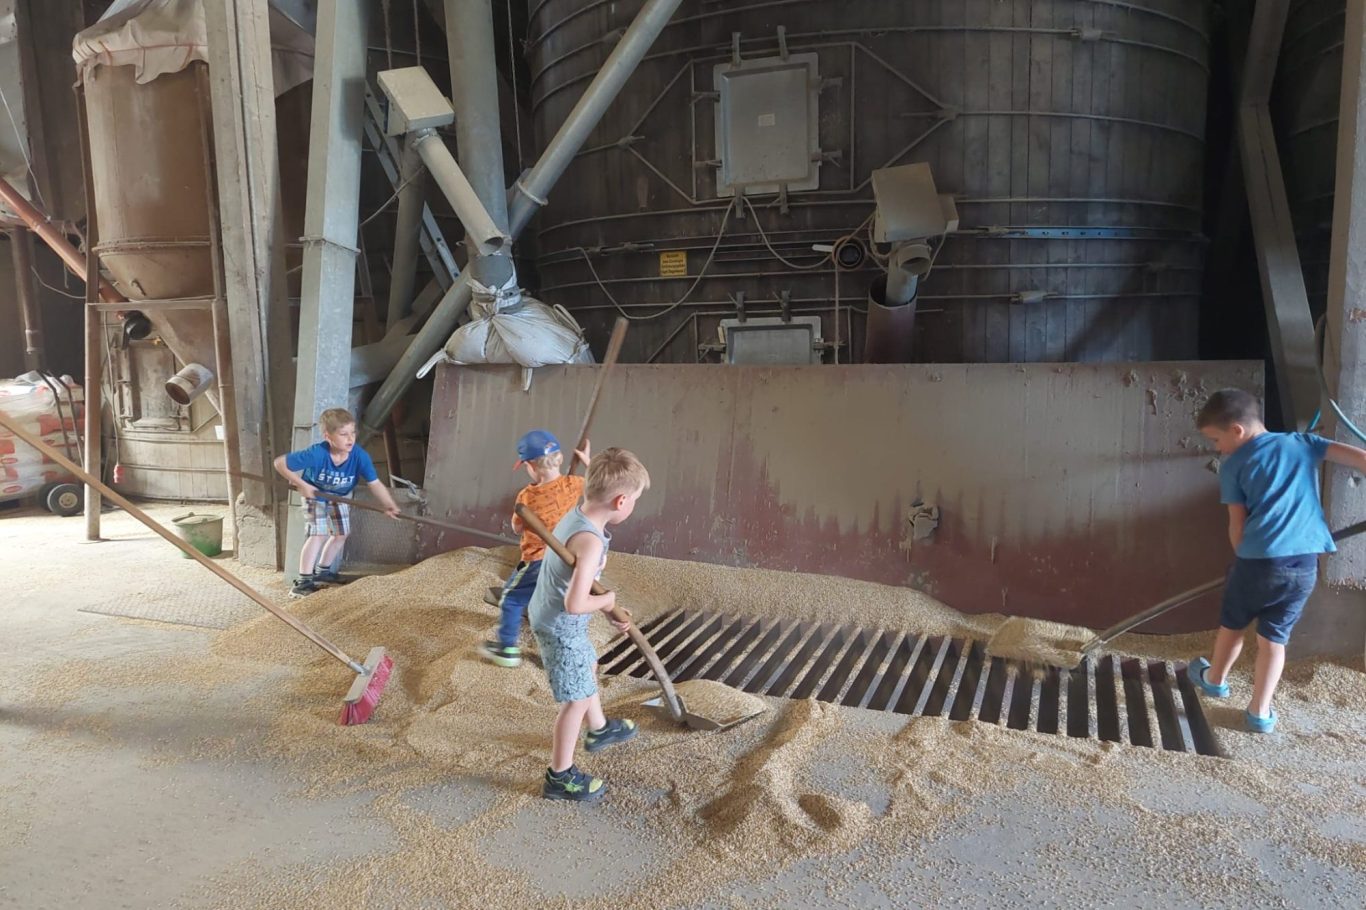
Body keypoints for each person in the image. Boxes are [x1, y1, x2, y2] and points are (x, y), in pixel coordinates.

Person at [1188, 388, 1366, 732]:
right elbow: (1359, 457)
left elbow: (1236, 524)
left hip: (1257, 562)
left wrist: (1242, 559)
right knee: (1274, 639)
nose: (1216, 447)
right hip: (1304, 566)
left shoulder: (1233, 465)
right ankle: (1260, 712)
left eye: (1215, 439)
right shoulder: (1303, 443)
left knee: (1234, 626)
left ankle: (1214, 679)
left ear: (1237, 430)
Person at [529, 447, 650, 801]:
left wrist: (592, 461)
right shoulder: (590, 542)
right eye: (635, 500)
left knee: (589, 665)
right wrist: (608, 602)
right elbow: (577, 602)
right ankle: (560, 776)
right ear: (621, 501)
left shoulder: (580, 512)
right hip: (560, 621)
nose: (633, 506)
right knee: (577, 698)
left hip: (556, 614)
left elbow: (578, 594)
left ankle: (598, 730)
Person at [482, 430, 588, 668]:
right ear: (559, 459)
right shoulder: (575, 484)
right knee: (556, 606)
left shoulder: (526, 496)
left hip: (537, 560)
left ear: (530, 466)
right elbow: (595, 486)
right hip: (565, 560)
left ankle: (507, 648)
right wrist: (588, 462)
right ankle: (563, 654)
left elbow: (517, 528)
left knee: (510, 598)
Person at [273, 407, 400, 597]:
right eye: (343, 434)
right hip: (314, 495)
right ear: (328, 436)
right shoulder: (317, 453)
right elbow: (280, 463)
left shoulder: (359, 456)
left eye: (352, 433)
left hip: (339, 496)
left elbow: (374, 483)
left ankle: (325, 572)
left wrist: (388, 504)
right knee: (318, 534)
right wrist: (301, 484)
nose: (350, 439)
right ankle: (303, 582)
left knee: (341, 534)